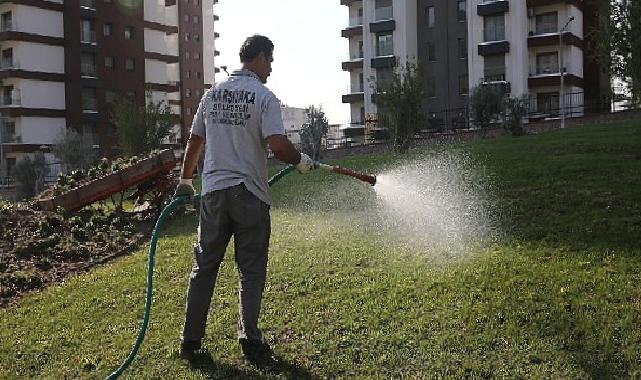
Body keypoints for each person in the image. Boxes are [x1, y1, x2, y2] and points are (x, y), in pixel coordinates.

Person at [174, 35, 314, 364]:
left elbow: (195, 141)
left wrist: (185, 181)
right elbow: (278, 145)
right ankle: (249, 341)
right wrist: (300, 161)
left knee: (204, 267)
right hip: (249, 194)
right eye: (270, 60)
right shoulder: (264, 97)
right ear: (261, 57)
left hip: (214, 194)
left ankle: (190, 342)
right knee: (250, 270)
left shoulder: (212, 95)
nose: (271, 68)